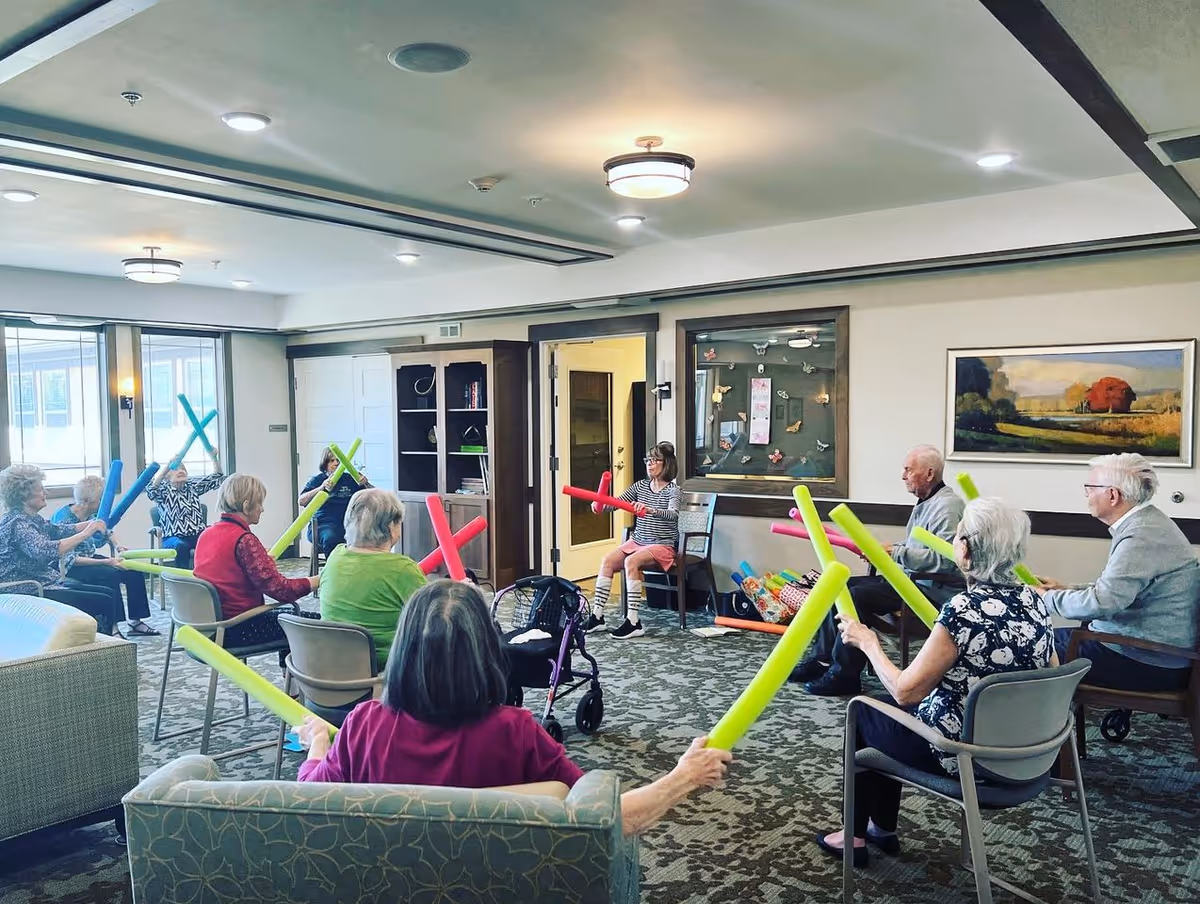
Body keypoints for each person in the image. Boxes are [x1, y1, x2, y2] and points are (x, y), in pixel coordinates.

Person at [297, 580, 732, 836]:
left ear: (404, 653)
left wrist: (318, 742)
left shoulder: (364, 726)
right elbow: (601, 819)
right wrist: (683, 778)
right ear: (488, 650)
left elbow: (309, 797)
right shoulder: (515, 731)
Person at [814, 497, 1055, 866]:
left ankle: (855, 837)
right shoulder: (1036, 602)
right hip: (1026, 751)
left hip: (962, 752)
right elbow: (1050, 672)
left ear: (964, 549)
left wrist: (868, 643)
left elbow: (906, 692)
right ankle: (881, 830)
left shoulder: (963, 611)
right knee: (882, 709)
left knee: (865, 710)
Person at [792, 444, 965, 696]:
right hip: (911, 581)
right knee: (837, 587)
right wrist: (884, 551)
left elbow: (946, 559)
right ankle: (823, 659)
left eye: (908, 470)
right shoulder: (927, 502)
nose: (903, 476)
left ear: (929, 474)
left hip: (929, 590)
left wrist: (894, 553)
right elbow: (918, 545)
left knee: (853, 596)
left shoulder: (947, 506)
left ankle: (845, 674)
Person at [1037, 453, 1200, 692]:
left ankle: (1032, 726)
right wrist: (1066, 590)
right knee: (1036, 640)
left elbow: (1102, 603)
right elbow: (1118, 591)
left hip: (1145, 659)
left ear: (1113, 495)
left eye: (1090, 488)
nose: (1087, 495)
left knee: (1023, 647)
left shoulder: (1140, 536)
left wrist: (1044, 598)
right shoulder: (1149, 523)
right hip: (1150, 649)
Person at [193, 473, 320, 653]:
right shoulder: (244, 540)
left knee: (288, 618)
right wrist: (320, 579)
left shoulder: (207, 534)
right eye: (260, 503)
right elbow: (282, 591)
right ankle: (294, 678)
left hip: (208, 627)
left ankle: (289, 676)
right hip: (237, 627)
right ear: (246, 506)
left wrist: (260, 559)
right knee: (313, 622)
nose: (262, 509)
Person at [0, 464, 123, 635]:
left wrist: (88, 524)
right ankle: (94, 646)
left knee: (108, 595)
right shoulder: (17, 524)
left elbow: (56, 530)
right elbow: (45, 551)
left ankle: (100, 643)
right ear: (24, 495)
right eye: (40, 489)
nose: (45, 493)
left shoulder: (29, 518)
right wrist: (87, 532)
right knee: (103, 601)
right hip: (27, 588)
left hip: (43, 582)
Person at [319, 489, 427, 668]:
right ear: (391, 527)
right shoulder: (402, 569)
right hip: (386, 668)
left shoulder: (335, 557)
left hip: (330, 665)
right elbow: (433, 619)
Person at [584, 441, 681, 639]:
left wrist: (650, 510)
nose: (650, 464)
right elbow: (616, 504)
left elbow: (673, 514)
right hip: (638, 541)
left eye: (655, 460)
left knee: (631, 561)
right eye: (648, 460)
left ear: (666, 464)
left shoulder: (673, 490)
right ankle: (597, 617)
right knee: (608, 560)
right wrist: (599, 505)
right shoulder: (640, 486)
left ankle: (633, 621)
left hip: (662, 545)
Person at [51, 475, 157, 636]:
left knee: (133, 570)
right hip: (69, 566)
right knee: (111, 575)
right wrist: (108, 561)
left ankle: (135, 621)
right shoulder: (64, 519)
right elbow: (70, 559)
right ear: (87, 501)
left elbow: (107, 530)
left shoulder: (93, 513)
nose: (105, 503)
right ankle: (113, 627)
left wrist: (117, 545)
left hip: (89, 557)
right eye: (101, 499)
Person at [146, 447, 225, 569]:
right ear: (167, 477)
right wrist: (168, 466)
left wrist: (214, 457)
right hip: (172, 538)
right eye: (176, 469)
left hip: (196, 534)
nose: (181, 471)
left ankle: (211, 576)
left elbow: (217, 477)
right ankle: (182, 581)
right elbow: (151, 490)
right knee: (181, 546)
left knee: (215, 538)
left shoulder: (192, 487)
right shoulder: (164, 491)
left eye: (183, 468)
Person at [298, 447, 371, 557]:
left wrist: (366, 483)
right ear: (325, 463)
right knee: (331, 538)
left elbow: (374, 496)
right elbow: (301, 501)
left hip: (348, 523)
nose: (336, 463)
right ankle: (334, 570)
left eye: (338, 461)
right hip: (323, 525)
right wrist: (321, 487)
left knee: (370, 537)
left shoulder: (349, 478)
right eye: (332, 461)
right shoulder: (318, 480)